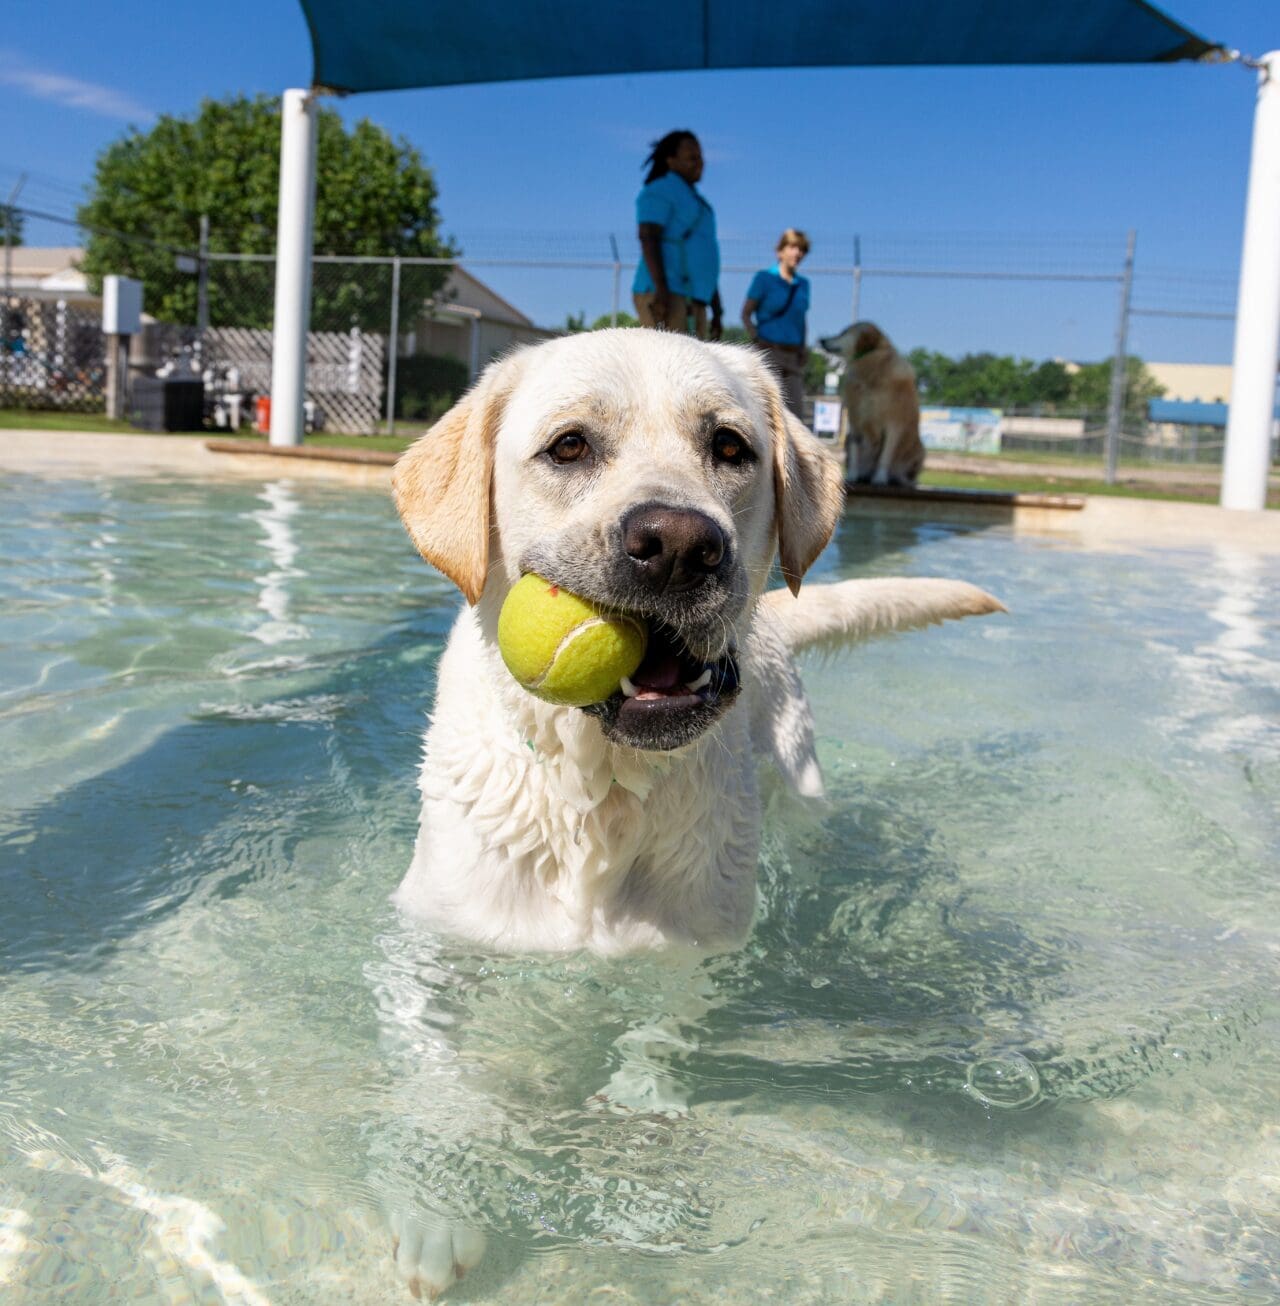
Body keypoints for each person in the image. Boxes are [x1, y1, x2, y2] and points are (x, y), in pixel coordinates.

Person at [632, 130, 722, 340]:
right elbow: (648, 236)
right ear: (670, 160)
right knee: (670, 366)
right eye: (692, 156)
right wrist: (661, 290)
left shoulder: (697, 200)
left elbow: (703, 257)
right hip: (668, 296)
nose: (699, 162)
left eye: (700, 156)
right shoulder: (660, 189)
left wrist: (717, 309)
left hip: (695, 299)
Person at [742, 228, 811, 417]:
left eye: (802, 249)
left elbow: (801, 318)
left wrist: (803, 346)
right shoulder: (764, 279)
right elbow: (746, 313)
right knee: (766, 413)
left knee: (796, 415)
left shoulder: (803, 284)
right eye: (793, 247)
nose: (797, 253)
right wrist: (755, 336)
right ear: (780, 251)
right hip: (768, 351)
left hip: (793, 355)